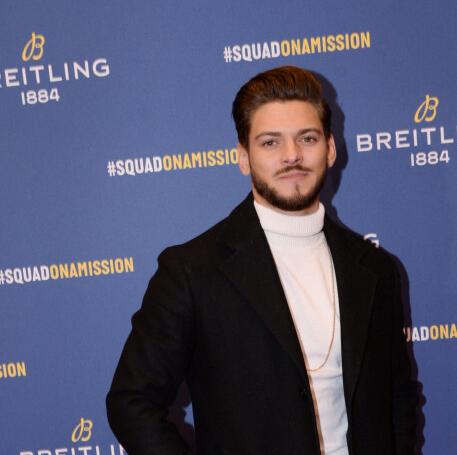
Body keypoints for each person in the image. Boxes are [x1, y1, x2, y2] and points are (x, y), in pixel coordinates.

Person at [106, 66, 419, 454]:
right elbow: (131, 402)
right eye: (270, 143)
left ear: (331, 149)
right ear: (243, 157)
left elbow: (399, 397)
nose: (292, 156)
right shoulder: (192, 272)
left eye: (307, 138)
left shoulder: (375, 269)